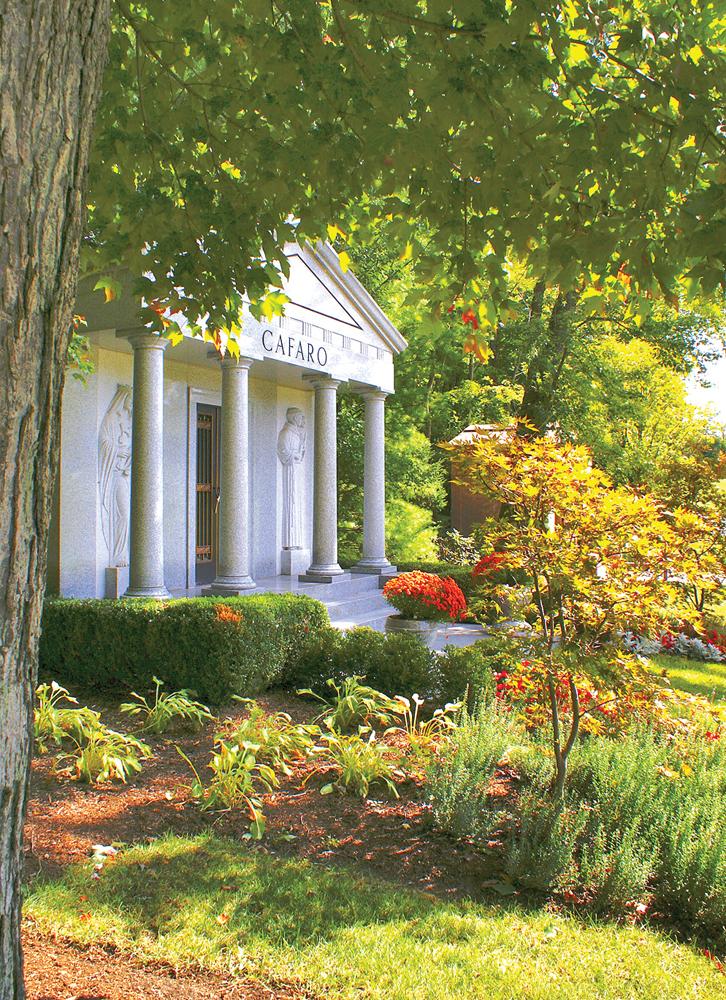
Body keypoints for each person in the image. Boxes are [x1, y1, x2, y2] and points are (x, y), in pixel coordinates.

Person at [277, 407, 307, 548]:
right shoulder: (286, 433)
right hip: (290, 471)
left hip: (297, 470)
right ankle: (290, 543)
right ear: (295, 418)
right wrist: (294, 455)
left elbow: (301, 453)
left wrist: (300, 453)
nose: (303, 420)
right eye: (301, 417)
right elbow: (283, 451)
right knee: (291, 501)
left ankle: (297, 542)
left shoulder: (297, 434)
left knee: (297, 503)